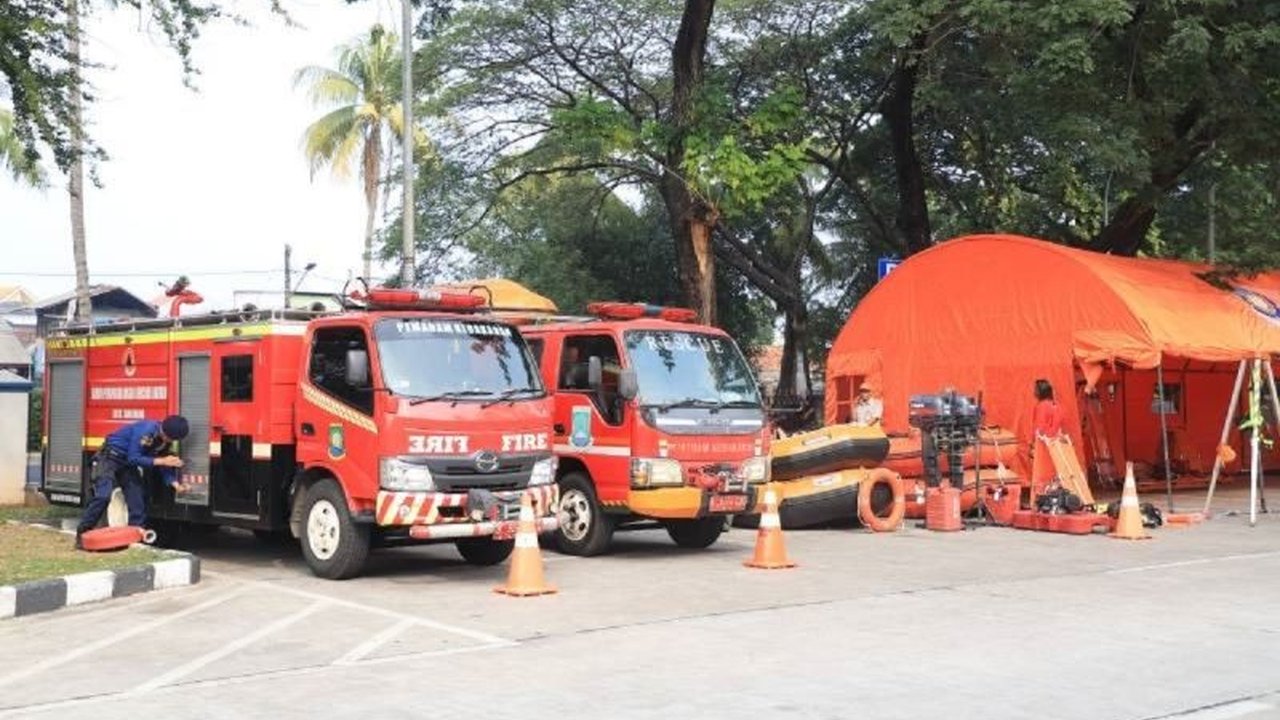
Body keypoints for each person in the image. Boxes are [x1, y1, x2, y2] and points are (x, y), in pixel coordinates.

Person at [75, 415, 190, 548]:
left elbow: (164, 464)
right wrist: (162, 461)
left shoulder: (165, 441)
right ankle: (82, 534)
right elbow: (134, 458)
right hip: (109, 458)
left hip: (127, 465)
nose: (170, 441)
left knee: (137, 500)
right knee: (103, 496)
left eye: (174, 440)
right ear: (165, 432)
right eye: (170, 438)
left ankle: (135, 539)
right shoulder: (146, 431)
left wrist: (176, 485)